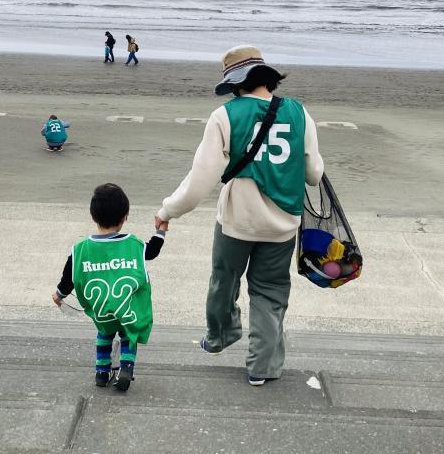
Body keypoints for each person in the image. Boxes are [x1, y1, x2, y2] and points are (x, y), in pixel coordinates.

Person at [154, 45, 324, 386]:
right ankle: (262, 367)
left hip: (236, 222)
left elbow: (200, 180)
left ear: (235, 82)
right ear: (267, 77)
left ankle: (220, 337)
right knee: (270, 292)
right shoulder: (298, 112)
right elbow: (314, 174)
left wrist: (167, 211)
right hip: (283, 225)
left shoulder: (224, 116)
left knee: (224, 280)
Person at [53, 183, 168, 391]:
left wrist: (59, 294)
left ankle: (102, 371)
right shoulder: (133, 245)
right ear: (125, 216)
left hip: (102, 310)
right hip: (126, 309)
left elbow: (68, 276)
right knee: (127, 335)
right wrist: (161, 230)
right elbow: (151, 252)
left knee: (104, 335)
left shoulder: (80, 249)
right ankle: (126, 367)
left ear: (93, 216)